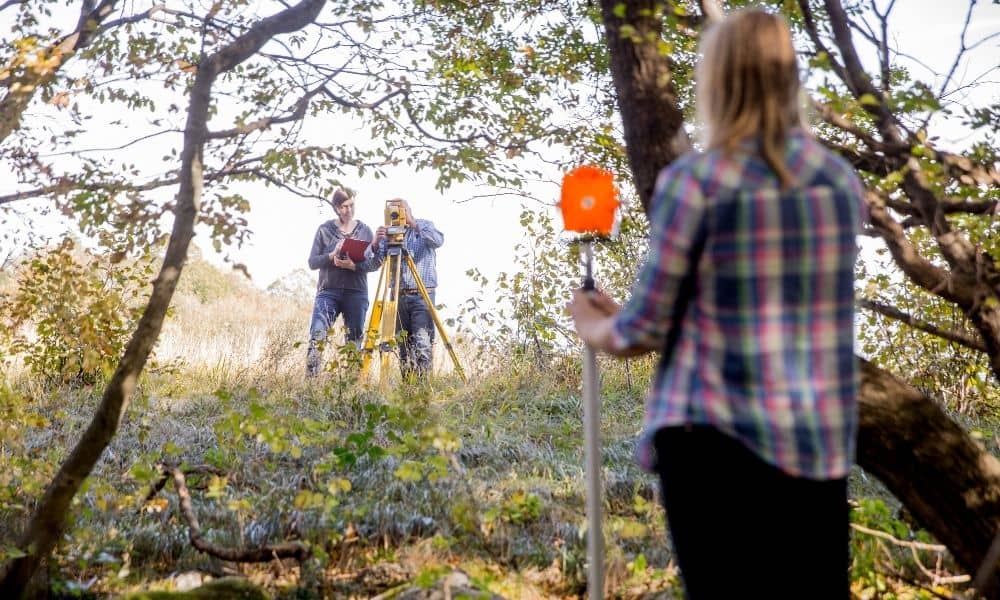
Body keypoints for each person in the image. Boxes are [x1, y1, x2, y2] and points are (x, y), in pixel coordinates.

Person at [567, 9, 865, 599]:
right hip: (816, 441)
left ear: (718, 80)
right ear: (790, 77)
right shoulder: (838, 182)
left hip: (712, 445)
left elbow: (641, 331)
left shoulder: (697, 181)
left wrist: (593, 324)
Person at [306, 189, 383, 377]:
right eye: (344, 206)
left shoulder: (365, 231)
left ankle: (351, 385)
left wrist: (354, 266)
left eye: (351, 205)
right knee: (317, 336)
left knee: (354, 340)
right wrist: (331, 255)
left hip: (356, 292)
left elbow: (376, 263)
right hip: (328, 292)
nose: (349, 210)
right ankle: (311, 383)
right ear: (336, 208)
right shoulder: (324, 230)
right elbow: (312, 262)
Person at [373, 198, 444, 379]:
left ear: (409, 210)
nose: (397, 214)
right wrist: (375, 242)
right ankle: (408, 389)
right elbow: (374, 263)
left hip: (422, 295)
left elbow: (438, 240)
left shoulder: (424, 225)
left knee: (422, 344)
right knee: (403, 346)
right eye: (393, 211)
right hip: (398, 297)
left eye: (401, 210)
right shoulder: (388, 234)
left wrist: (412, 223)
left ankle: (424, 387)